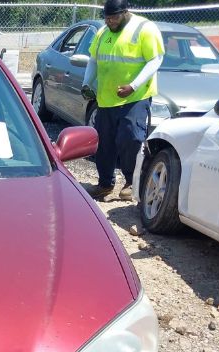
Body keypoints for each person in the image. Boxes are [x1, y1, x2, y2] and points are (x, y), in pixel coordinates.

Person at [81, 0, 165, 201]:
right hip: (106, 98)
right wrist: (87, 83)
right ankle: (104, 184)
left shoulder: (145, 29)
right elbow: (94, 60)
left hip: (135, 98)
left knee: (130, 138)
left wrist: (133, 86)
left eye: (114, 18)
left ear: (125, 13)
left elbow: (156, 59)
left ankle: (130, 182)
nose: (110, 22)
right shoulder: (103, 33)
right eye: (107, 18)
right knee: (104, 143)